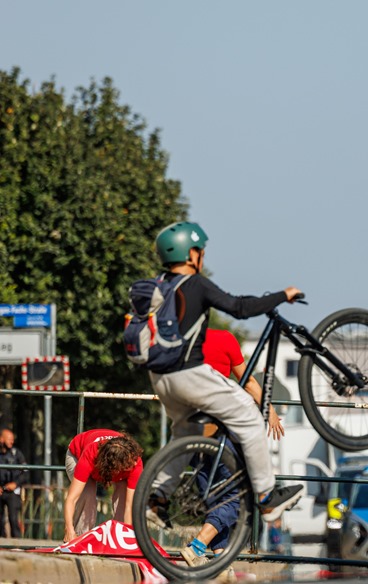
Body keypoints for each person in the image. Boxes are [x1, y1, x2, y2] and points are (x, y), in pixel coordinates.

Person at [145, 222, 304, 563]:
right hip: (186, 373)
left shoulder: (158, 286)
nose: (202, 256)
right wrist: (282, 296)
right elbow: (240, 307)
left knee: (184, 432)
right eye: (200, 251)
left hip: (159, 379)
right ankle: (266, 497)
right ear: (191, 254)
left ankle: (157, 497)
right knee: (248, 414)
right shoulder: (195, 283)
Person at [180, 328, 287, 567]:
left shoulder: (180, 339)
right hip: (217, 431)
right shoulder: (223, 338)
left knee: (214, 499)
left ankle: (220, 561)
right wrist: (269, 410)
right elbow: (248, 381)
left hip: (186, 433)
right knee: (239, 495)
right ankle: (198, 545)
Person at [64, 429, 143, 542]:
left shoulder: (135, 461)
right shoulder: (90, 454)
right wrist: (69, 529)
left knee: (124, 492)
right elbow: (71, 498)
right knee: (87, 491)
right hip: (77, 454)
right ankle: (80, 537)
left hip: (112, 462)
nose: (134, 464)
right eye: (128, 464)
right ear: (114, 465)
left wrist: (128, 540)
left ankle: (119, 538)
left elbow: (130, 505)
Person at [0, 429, 27, 538]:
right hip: (1, 490)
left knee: (13, 519)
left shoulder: (17, 454)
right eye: (9, 439)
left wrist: (16, 483)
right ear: (1, 439)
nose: (11, 442)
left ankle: (17, 545)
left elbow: (25, 472)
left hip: (13, 491)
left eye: (12, 440)